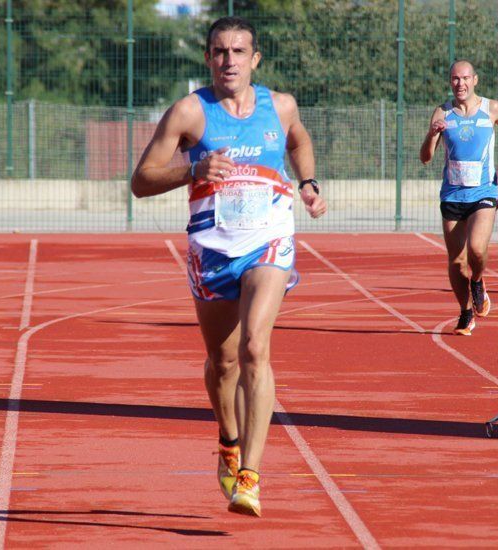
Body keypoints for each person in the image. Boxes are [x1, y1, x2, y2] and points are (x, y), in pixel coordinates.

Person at [131, 16, 327, 517]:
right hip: (211, 249)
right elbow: (142, 179)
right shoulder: (189, 113)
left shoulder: (279, 106)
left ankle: (250, 477)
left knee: (255, 348)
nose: (229, 61)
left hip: (269, 240)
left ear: (254, 59)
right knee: (223, 364)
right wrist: (192, 170)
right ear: (207, 58)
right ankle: (228, 439)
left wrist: (308, 183)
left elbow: (299, 141)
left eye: (239, 52)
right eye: (220, 52)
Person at [419, 60, 498, 336]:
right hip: (453, 194)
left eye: (465, 78)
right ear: (450, 81)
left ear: (475, 80)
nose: (460, 84)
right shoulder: (442, 112)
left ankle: (477, 281)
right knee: (456, 260)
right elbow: (425, 158)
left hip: (483, 191)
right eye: (455, 79)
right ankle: (466, 312)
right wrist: (432, 135)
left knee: (476, 249)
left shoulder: (492, 109)